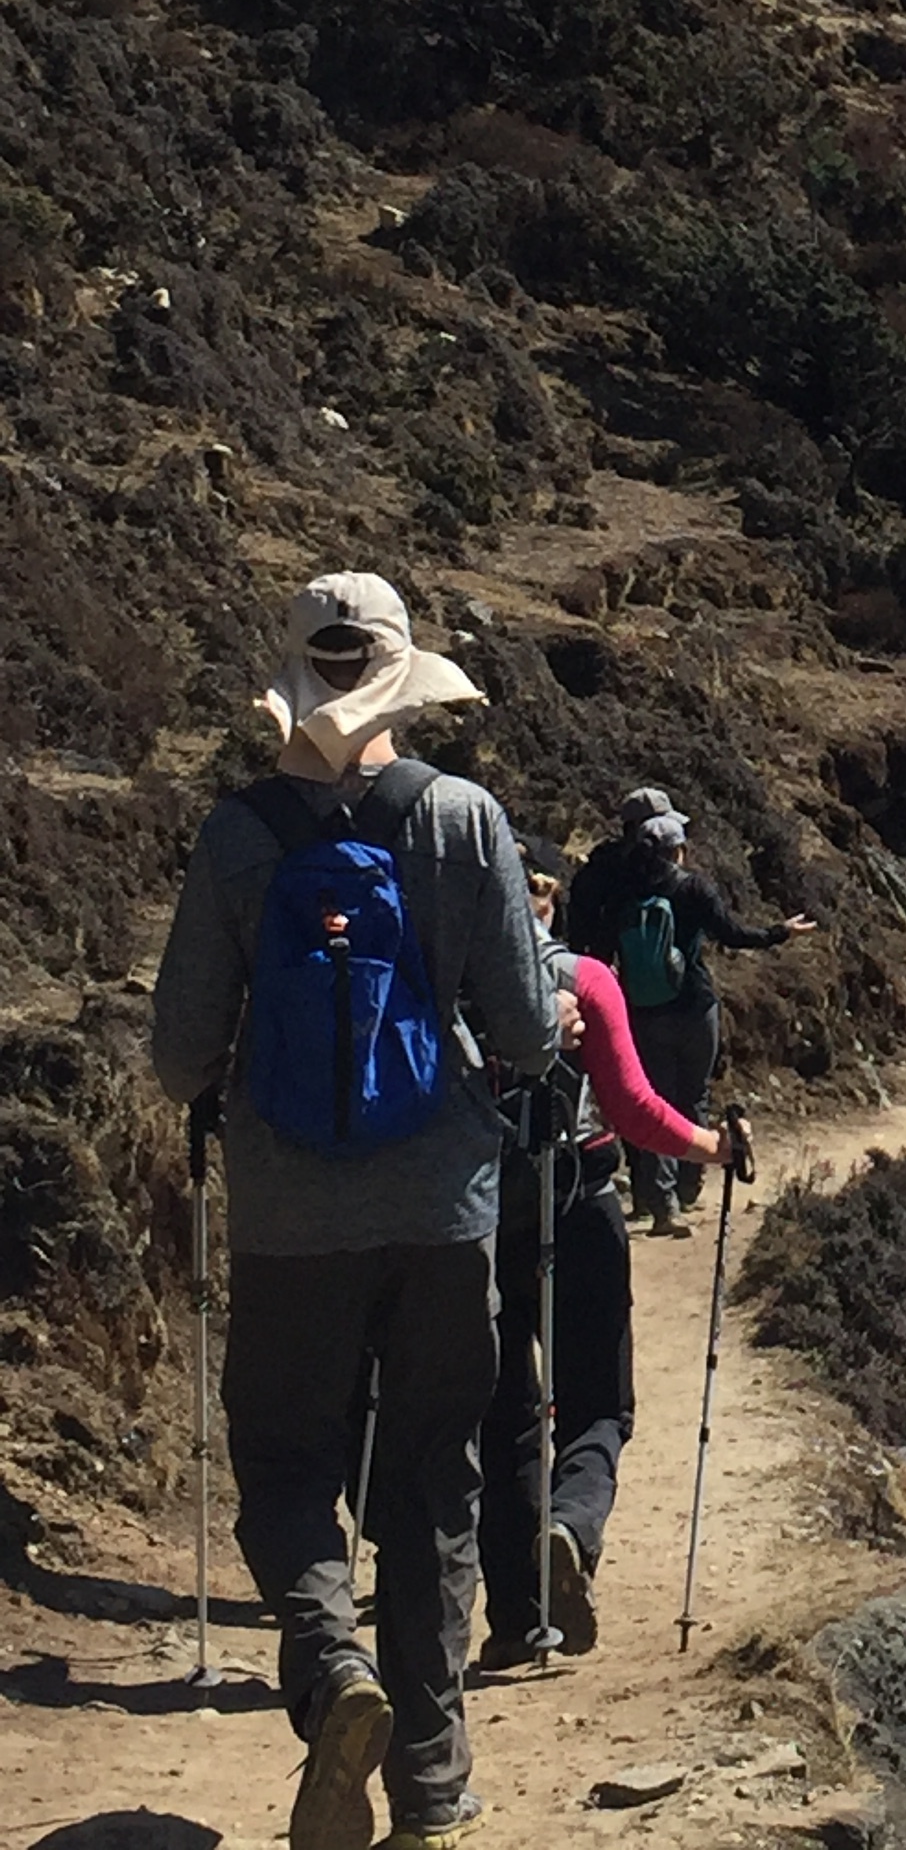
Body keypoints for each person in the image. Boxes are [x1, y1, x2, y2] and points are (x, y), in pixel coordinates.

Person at [152, 574, 564, 1850]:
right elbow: (527, 1030)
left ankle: (333, 1668)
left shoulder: (237, 836)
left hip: (287, 1221)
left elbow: (177, 1054)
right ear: (403, 674)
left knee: (285, 1463)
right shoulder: (463, 819)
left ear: (294, 678)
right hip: (442, 1209)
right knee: (436, 1483)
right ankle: (434, 1788)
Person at [474, 833, 753, 1670]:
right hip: (581, 1205)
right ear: (545, 901)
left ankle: (517, 1621)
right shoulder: (584, 980)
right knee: (600, 1405)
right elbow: (631, 1108)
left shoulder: (449, 977)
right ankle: (572, 1524)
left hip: (478, 1215)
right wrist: (712, 1148)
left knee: (505, 1420)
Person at [566, 788, 812, 1236]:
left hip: (637, 1008)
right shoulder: (692, 886)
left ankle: (656, 1202)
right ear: (676, 847)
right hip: (695, 1005)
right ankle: (686, 1185)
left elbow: (590, 946)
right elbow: (733, 935)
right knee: (691, 1095)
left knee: (650, 1098)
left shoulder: (612, 884)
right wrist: (780, 932)